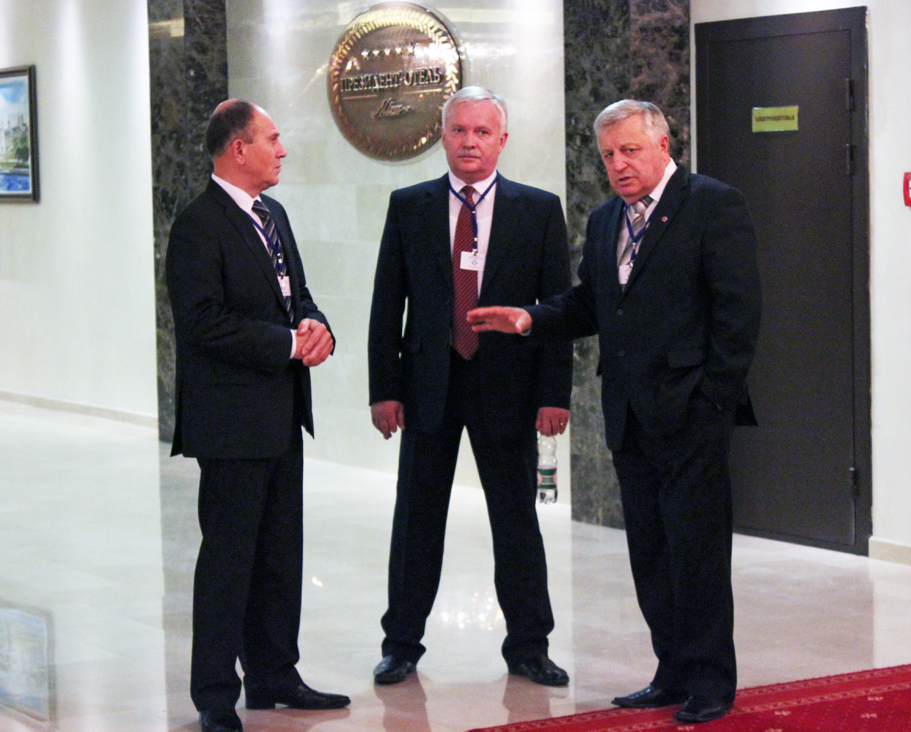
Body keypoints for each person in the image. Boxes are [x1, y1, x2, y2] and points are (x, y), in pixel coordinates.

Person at [468, 99, 761, 724]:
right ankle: (671, 671)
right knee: (650, 552)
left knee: (697, 554)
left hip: (693, 413)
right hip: (630, 414)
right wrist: (530, 319)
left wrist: (712, 400)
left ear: (663, 145)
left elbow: (738, 316)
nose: (618, 165)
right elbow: (590, 304)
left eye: (630, 150)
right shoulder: (607, 219)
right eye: (608, 155)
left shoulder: (713, 204)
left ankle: (711, 680)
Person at [367, 86, 573, 687]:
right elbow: (387, 305)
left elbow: (558, 311)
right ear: (442, 136)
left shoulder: (539, 209)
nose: (469, 142)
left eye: (482, 132)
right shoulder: (409, 206)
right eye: (458, 130)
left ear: (502, 140)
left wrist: (554, 394)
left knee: (516, 520)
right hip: (428, 384)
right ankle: (401, 643)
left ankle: (529, 646)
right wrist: (384, 388)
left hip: (508, 385)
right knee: (416, 519)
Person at [167, 99, 350, 732]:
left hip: (280, 413)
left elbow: (297, 295)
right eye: (272, 139)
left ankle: (275, 675)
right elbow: (202, 323)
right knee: (229, 561)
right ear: (238, 149)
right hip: (230, 423)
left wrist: (317, 327)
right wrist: (286, 345)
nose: (283, 149)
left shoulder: (273, 215)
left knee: (279, 554)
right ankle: (216, 695)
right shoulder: (198, 224)